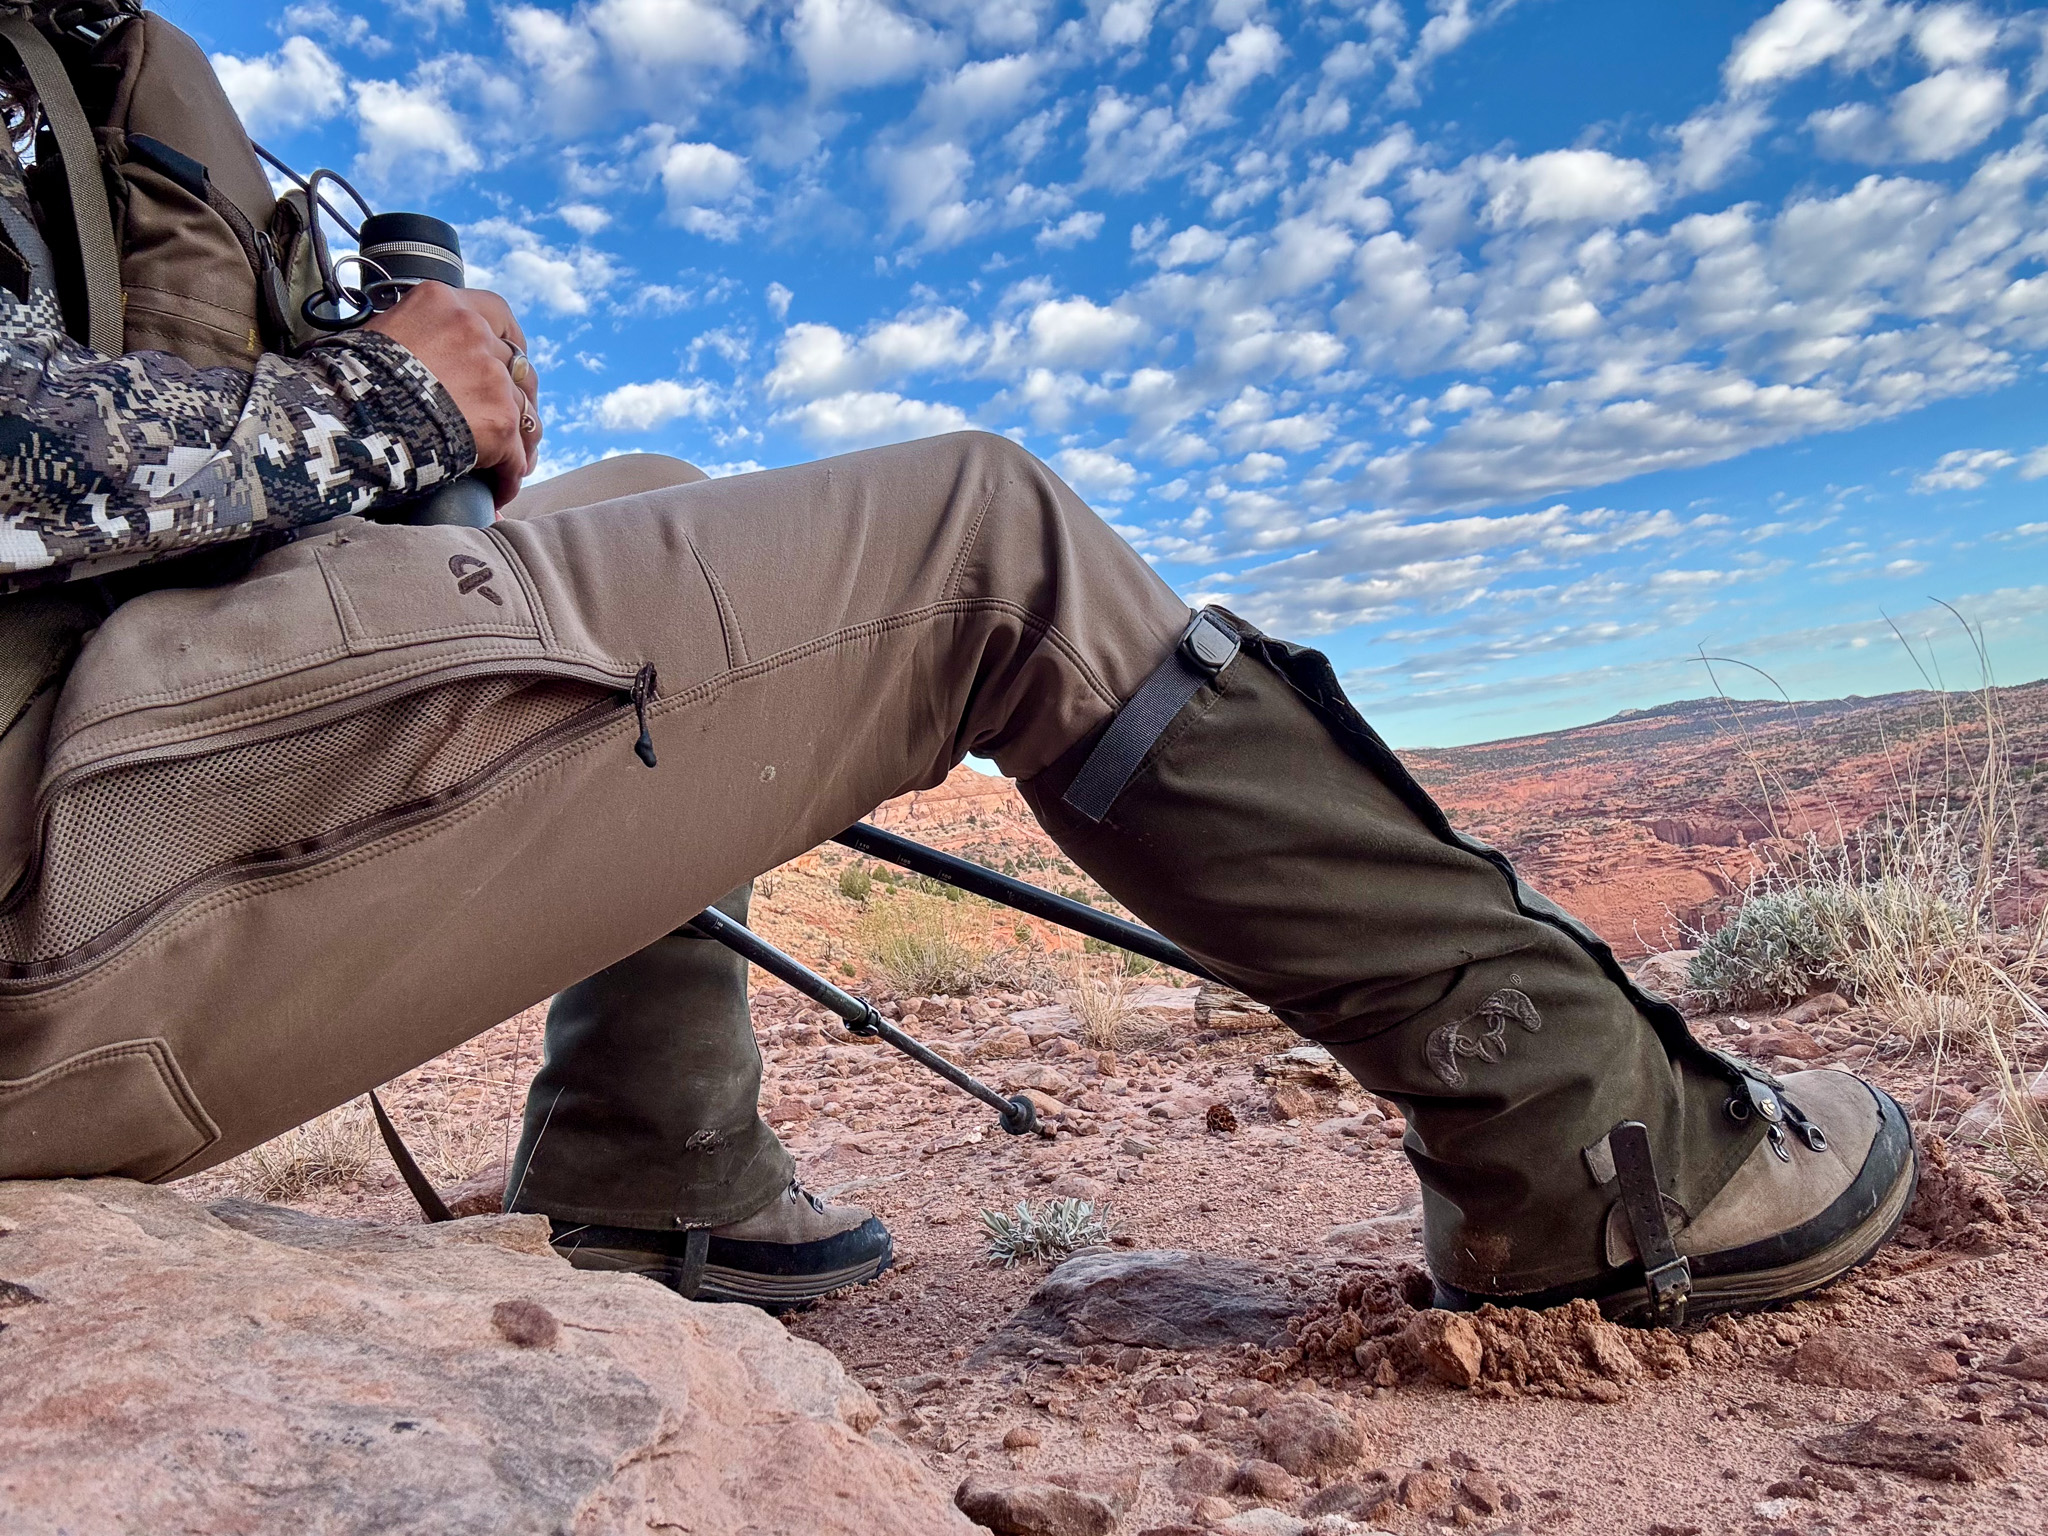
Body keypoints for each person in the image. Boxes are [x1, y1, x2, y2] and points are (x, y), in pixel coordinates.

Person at [0, 143, 1913, 1329]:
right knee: (982, 541)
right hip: (47, 891)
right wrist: (379, 404)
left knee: (648, 495)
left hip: (92, 761)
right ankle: (1600, 1148)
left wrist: (379, 433)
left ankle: (651, 1163)